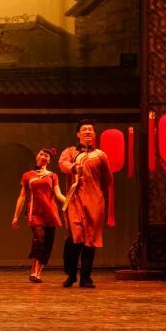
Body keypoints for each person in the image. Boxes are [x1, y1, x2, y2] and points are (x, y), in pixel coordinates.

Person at [58, 120, 113, 288]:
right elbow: (63, 164)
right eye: (84, 129)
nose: (88, 131)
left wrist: (96, 193)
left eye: (90, 129)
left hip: (95, 202)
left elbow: (107, 179)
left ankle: (86, 277)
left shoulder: (101, 155)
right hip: (75, 200)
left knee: (90, 240)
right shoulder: (70, 152)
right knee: (75, 237)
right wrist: (74, 168)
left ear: (94, 134)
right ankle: (71, 273)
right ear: (78, 134)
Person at [12, 147, 65, 283]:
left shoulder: (52, 176)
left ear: (49, 160)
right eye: (41, 154)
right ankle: (33, 271)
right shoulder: (27, 175)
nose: (43, 157)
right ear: (37, 156)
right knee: (39, 240)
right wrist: (16, 216)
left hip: (51, 213)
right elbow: (22, 197)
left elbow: (58, 194)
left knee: (48, 243)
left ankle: (38, 273)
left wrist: (70, 201)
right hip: (35, 212)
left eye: (46, 156)